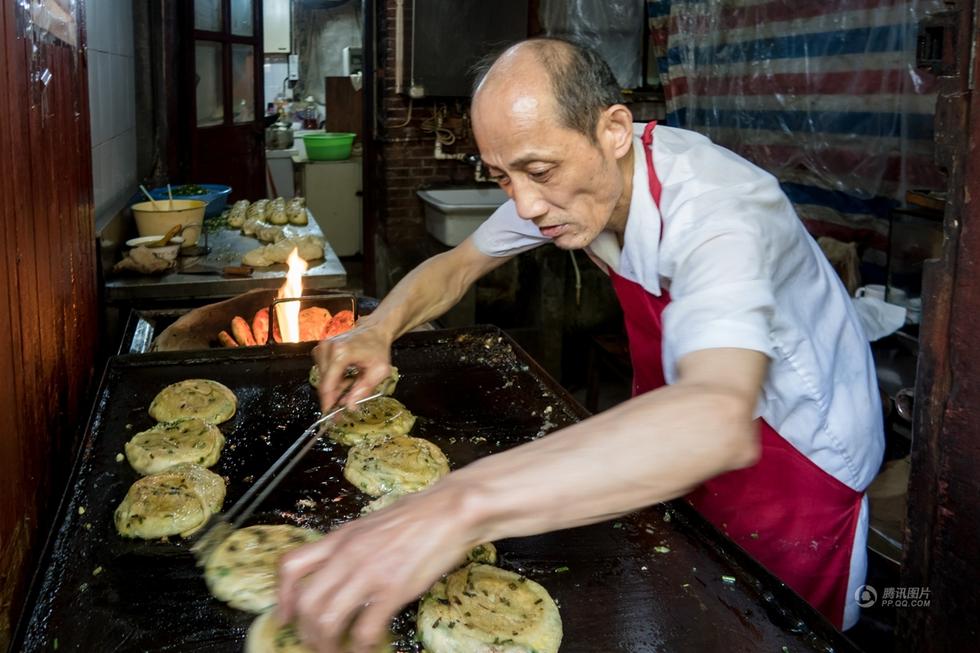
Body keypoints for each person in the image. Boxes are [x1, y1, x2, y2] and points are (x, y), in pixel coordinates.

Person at [278, 37, 884, 651]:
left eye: (539, 172)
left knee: (761, 630)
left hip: (795, 455)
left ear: (614, 130)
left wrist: (458, 504)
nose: (526, 204)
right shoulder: (564, 180)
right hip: (671, 425)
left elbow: (715, 419)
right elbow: (456, 266)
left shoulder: (719, 212)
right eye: (502, 176)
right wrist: (376, 330)